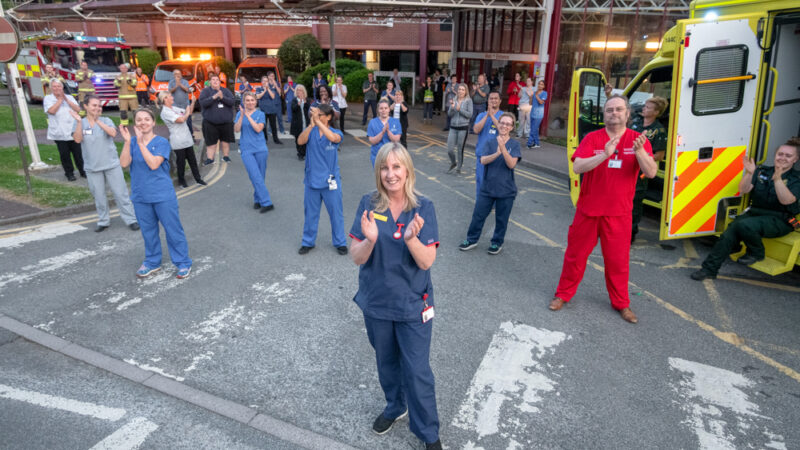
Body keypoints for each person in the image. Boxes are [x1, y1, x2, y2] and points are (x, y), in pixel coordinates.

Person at [348, 142, 442, 450]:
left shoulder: (422, 207)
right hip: (377, 303)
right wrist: (371, 240)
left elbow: (426, 261)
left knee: (417, 370)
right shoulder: (369, 204)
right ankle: (395, 405)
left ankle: (428, 432)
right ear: (378, 172)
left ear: (407, 170)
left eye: (396, 167)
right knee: (386, 363)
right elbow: (357, 257)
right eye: (385, 168)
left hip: (413, 304)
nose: (391, 174)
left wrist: (412, 239)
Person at [549, 95, 657, 324]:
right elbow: (578, 167)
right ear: (604, 114)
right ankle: (563, 295)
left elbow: (651, 172)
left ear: (627, 113)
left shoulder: (638, 140)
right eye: (609, 110)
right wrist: (604, 154)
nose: (614, 113)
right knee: (575, 257)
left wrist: (639, 153)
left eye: (618, 109)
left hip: (619, 214)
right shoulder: (593, 138)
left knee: (618, 262)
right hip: (588, 211)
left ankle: (621, 304)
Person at [691, 139, 800, 280]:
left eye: (788, 156)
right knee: (728, 234)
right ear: (775, 155)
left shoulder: (796, 178)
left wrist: (778, 179)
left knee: (743, 225)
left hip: (781, 219)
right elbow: (743, 190)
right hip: (756, 213)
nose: (782, 158)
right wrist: (749, 173)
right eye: (780, 154)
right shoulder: (762, 171)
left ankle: (757, 253)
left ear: (795, 159)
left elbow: (787, 201)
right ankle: (709, 270)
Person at [119, 108, 193, 279]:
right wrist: (127, 142)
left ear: (153, 123)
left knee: (173, 230)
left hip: (162, 196)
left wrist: (139, 143)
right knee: (148, 232)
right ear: (135, 123)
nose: (142, 122)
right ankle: (152, 262)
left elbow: (153, 164)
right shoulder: (132, 142)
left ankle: (183, 262)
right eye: (139, 120)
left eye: (146, 119)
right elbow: (124, 163)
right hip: (141, 196)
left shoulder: (161, 142)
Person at [69, 95, 139, 233]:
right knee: (99, 196)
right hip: (92, 167)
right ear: (86, 107)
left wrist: (97, 121)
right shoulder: (79, 123)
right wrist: (78, 122)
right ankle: (103, 220)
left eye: (99, 105)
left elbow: (113, 133)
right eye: (94, 105)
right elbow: (77, 140)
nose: (97, 108)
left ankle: (131, 219)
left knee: (121, 194)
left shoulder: (106, 120)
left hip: (111, 165)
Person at [459, 113, 520, 255]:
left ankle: (496, 243)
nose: (504, 126)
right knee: (478, 215)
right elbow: (483, 160)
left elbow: (511, 164)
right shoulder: (490, 142)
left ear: (511, 127)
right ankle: (471, 239)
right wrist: (497, 153)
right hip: (487, 188)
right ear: (498, 124)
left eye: (508, 124)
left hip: (506, 190)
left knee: (501, 219)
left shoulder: (515, 145)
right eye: (502, 123)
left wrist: (503, 149)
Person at [296, 104, 347, 256]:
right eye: (315, 114)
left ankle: (340, 242)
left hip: (330, 181)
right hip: (312, 180)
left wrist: (318, 123)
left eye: (320, 115)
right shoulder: (311, 132)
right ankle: (308, 242)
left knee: (336, 213)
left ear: (329, 117)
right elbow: (300, 141)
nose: (316, 117)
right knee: (311, 213)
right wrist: (312, 125)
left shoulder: (336, 132)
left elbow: (332, 138)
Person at [630, 96, 668, 242]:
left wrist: (643, 157)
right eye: (645, 106)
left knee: (635, 201)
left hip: (641, 171)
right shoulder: (637, 122)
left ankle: (631, 232)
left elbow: (659, 155)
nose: (644, 109)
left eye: (648, 107)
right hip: (627, 167)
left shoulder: (658, 131)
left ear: (656, 112)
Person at [235, 92, 275, 214]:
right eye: (247, 100)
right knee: (254, 175)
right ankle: (267, 202)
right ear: (243, 102)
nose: (250, 102)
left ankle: (257, 199)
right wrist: (242, 116)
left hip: (260, 149)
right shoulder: (239, 114)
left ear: (256, 101)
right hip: (246, 149)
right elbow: (236, 129)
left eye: (252, 100)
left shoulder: (261, 114)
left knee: (260, 176)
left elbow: (258, 129)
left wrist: (247, 115)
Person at [159, 91, 206, 188]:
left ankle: (198, 179)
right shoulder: (165, 112)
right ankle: (182, 181)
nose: (172, 97)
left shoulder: (174, 108)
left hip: (187, 138)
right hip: (178, 140)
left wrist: (192, 103)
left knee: (192, 160)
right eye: (170, 96)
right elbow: (181, 120)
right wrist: (187, 112)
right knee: (181, 163)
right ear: (165, 99)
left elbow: (189, 112)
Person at [44, 79, 85, 181]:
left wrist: (67, 100)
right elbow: (52, 111)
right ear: (51, 88)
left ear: (62, 88)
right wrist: (60, 100)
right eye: (54, 86)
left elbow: (78, 110)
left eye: (59, 86)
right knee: (64, 154)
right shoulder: (48, 98)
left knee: (78, 153)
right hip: (59, 132)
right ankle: (69, 173)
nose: (57, 88)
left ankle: (83, 171)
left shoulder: (69, 97)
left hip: (73, 130)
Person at [199, 73, 236, 164]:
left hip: (226, 122)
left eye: (217, 80)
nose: (215, 81)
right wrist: (214, 97)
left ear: (220, 82)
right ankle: (210, 159)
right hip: (210, 123)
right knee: (211, 142)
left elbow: (232, 102)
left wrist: (222, 98)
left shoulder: (226, 91)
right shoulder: (205, 91)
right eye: (213, 80)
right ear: (210, 82)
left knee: (225, 141)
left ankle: (226, 157)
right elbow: (203, 103)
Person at [472, 91, 504, 194]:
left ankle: (493, 203)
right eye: (491, 98)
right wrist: (487, 115)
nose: (493, 100)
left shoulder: (503, 116)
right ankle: (481, 202)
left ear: (500, 101)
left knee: (494, 181)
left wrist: (492, 116)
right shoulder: (481, 115)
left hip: (496, 154)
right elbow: (476, 130)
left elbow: (502, 129)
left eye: (496, 98)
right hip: (482, 153)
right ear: (488, 101)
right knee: (480, 180)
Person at [446, 83, 472, 173]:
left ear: (465, 91)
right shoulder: (454, 99)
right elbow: (449, 114)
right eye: (459, 89)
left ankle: (459, 167)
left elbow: (469, 115)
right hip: (453, 127)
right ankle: (453, 162)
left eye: (462, 89)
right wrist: (452, 108)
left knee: (460, 148)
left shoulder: (469, 101)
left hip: (463, 128)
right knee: (449, 149)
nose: (460, 91)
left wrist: (459, 109)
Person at [367, 99, 402, 167]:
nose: (383, 110)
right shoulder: (372, 122)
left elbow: (396, 140)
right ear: (378, 110)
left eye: (386, 108)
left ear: (389, 109)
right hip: (377, 156)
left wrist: (388, 131)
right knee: (380, 177)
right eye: (381, 108)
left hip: (392, 155)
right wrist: (382, 132)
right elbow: (372, 141)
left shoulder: (395, 122)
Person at [256, 73, 284, 146]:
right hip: (263, 110)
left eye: (266, 81)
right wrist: (264, 90)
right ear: (261, 82)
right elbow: (258, 97)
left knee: (273, 125)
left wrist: (268, 89)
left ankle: (276, 139)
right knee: (263, 126)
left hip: (272, 110)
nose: (265, 82)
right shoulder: (259, 89)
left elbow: (273, 96)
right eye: (264, 81)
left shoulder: (271, 88)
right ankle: (265, 139)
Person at [168, 69, 193, 134]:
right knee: (177, 121)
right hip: (175, 105)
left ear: (181, 75)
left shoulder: (185, 81)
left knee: (188, 121)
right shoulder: (171, 82)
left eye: (179, 74)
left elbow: (187, 90)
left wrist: (180, 84)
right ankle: (177, 135)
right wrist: (176, 85)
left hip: (185, 105)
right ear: (173, 75)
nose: (178, 75)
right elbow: (170, 91)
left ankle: (190, 135)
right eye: (176, 74)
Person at [290, 84, 311, 160]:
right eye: (298, 90)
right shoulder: (294, 100)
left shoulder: (307, 100)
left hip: (306, 122)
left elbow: (309, 109)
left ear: (303, 91)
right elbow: (293, 109)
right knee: (298, 138)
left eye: (300, 90)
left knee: (306, 138)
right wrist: (298, 104)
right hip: (297, 123)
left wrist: (304, 102)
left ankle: (305, 152)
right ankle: (300, 154)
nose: (299, 92)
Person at [527, 80, 548, 149]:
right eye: (539, 84)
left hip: (539, 114)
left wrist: (536, 96)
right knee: (534, 129)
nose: (540, 85)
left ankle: (529, 143)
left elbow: (541, 102)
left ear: (544, 86)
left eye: (542, 84)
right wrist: (530, 97)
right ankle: (537, 143)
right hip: (532, 113)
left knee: (533, 129)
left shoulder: (545, 93)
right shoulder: (535, 93)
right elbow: (530, 103)